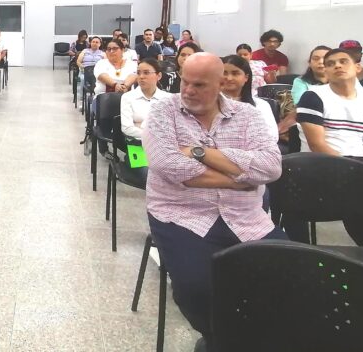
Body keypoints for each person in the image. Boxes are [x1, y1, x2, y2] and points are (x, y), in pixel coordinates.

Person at [144, 53, 286, 344]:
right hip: (182, 214)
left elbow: (271, 167)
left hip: (246, 216)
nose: (188, 91)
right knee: (196, 288)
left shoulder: (247, 115)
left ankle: (250, 337)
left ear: (220, 83)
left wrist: (199, 152)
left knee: (289, 276)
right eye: (185, 82)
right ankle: (217, 339)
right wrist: (243, 178)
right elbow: (167, 164)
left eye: (199, 85)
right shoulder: (163, 111)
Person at [297, 48, 363, 193]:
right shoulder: (312, 96)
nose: (337, 66)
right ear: (326, 71)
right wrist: (362, 174)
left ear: (357, 67)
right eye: (330, 64)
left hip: (360, 161)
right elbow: (317, 146)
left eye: (343, 61)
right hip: (321, 163)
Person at [221, 55, 279, 141]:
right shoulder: (209, 104)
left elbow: (272, 136)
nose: (229, 78)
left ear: (246, 77)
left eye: (235, 73)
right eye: (224, 73)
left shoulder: (261, 105)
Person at [120, 59, 170, 140]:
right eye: (138, 73)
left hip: (164, 145)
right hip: (137, 144)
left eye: (146, 73)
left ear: (159, 76)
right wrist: (155, 135)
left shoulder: (168, 98)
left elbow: (171, 127)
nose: (141, 77)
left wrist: (140, 125)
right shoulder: (128, 97)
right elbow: (127, 129)